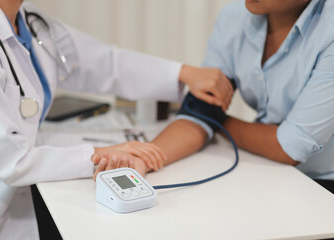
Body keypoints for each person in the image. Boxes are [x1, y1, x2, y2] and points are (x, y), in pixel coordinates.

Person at [0, 0, 235, 239]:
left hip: (25, 192)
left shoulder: (30, 20)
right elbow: (10, 161)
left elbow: (105, 63)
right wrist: (100, 153)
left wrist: (183, 73)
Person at [94, 0, 334, 193]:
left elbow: (291, 147)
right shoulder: (234, 17)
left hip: (324, 182)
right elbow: (199, 113)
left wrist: (215, 119)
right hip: (272, 171)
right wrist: (144, 158)